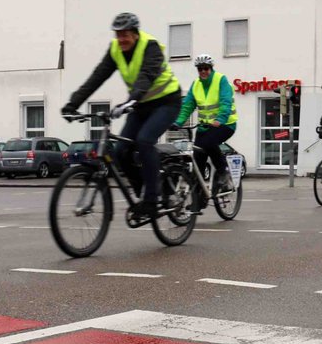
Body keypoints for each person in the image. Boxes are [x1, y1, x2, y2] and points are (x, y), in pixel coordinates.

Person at [63, 12, 181, 219]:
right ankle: (143, 193)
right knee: (119, 152)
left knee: (144, 141)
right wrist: (73, 103)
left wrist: (130, 101)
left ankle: (152, 201)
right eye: (118, 35)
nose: (121, 39)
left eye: (125, 35)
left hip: (167, 102)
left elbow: (146, 77)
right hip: (140, 105)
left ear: (135, 34)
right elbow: (97, 77)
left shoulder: (150, 47)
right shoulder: (115, 50)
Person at [174, 54, 236, 192]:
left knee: (209, 144)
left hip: (225, 125)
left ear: (211, 68)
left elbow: (226, 102)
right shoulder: (196, 85)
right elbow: (187, 105)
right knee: (198, 159)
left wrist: (220, 119)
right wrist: (178, 122)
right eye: (200, 69)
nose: (203, 71)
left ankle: (224, 173)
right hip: (204, 127)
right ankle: (199, 199)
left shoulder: (221, 80)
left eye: (206, 68)